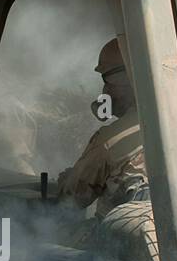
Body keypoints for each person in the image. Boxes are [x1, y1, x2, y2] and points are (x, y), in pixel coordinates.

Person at [57, 38, 148, 218]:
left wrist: (66, 180)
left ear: (124, 78)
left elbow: (72, 197)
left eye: (107, 79)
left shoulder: (111, 140)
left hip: (119, 241)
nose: (105, 89)